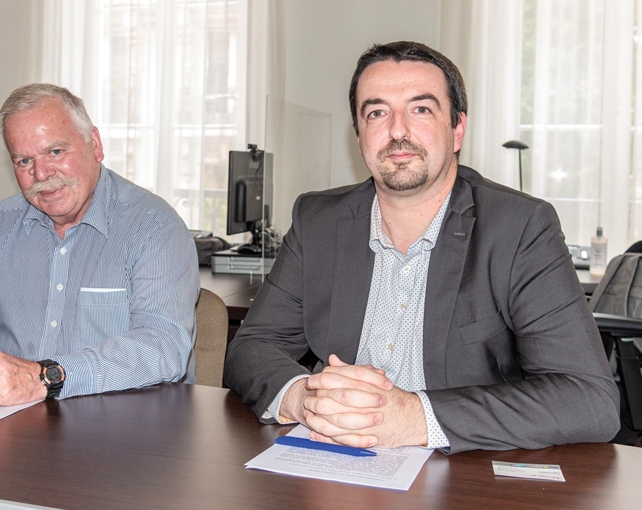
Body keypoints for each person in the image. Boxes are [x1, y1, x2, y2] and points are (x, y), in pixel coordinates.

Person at [223, 41, 620, 453]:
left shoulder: (519, 227)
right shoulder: (318, 220)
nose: (397, 131)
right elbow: (252, 348)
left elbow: (589, 398)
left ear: (457, 129)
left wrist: (416, 418)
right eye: (377, 112)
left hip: (465, 474)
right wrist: (305, 399)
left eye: (421, 109)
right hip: (332, 459)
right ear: (359, 135)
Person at [0, 83, 200, 409]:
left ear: (95, 145)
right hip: (16, 424)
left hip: (130, 431)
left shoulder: (154, 227)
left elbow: (161, 346)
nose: (41, 173)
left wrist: (46, 377)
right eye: (23, 161)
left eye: (55, 152)